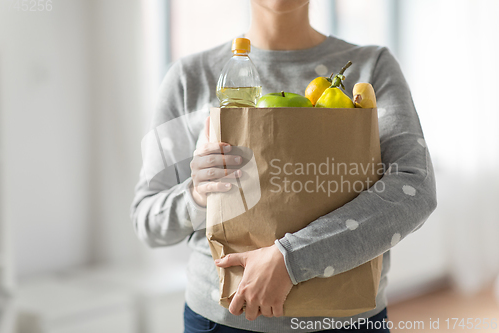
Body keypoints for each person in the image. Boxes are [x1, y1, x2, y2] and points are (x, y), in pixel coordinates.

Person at [130, 0, 437, 332]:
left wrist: (292, 259)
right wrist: (199, 195)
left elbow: (414, 188)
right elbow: (146, 219)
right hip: (221, 321)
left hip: (347, 320)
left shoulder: (370, 68)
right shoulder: (190, 79)